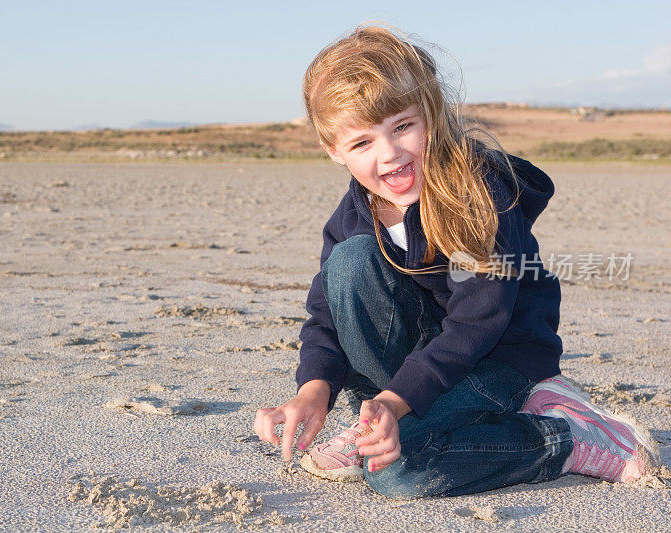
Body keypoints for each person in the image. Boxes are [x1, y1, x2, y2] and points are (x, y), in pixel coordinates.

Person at [253, 24, 660, 499]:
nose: (389, 155)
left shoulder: (476, 192)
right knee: (349, 263)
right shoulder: (353, 215)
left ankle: (565, 436)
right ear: (334, 152)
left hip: (499, 359)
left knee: (395, 474)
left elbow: (476, 321)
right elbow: (324, 317)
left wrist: (396, 399)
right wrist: (314, 388)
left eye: (403, 126)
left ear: (431, 113)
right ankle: (386, 421)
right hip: (422, 367)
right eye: (362, 143)